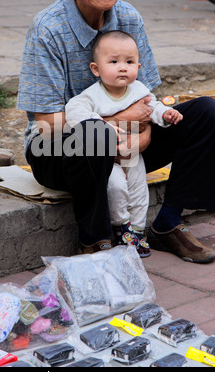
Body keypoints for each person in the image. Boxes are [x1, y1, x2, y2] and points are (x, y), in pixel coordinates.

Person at [17, 0, 215, 262]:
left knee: (208, 114)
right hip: (58, 149)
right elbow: (45, 125)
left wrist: (143, 137)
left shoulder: (129, 17)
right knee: (93, 134)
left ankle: (168, 222)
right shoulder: (48, 29)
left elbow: (146, 98)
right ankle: (94, 240)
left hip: (126, 144)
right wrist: (118, 122)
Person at [65, 30, 183, 258]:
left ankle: (138, 231)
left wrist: (166, 114)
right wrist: (100, 123)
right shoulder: (91, 96)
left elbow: (153, 107)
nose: (122, 67)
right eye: (113, 61)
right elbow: (73, 111)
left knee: (139, 190)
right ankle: (122, 227)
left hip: (133, 155)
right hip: (109, 159)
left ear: (138, 68)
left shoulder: (138, 89)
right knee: (116, 188)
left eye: (129, 62)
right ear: (96, 69)